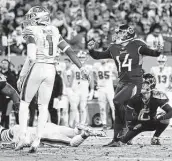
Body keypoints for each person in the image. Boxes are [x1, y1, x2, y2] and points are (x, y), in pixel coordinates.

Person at [16, 6, 88, 152]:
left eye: (32, 17)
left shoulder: (32, 30)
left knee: (24, 103)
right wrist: (81, 67)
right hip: (51, 69)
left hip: (37, 66)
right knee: (43, 107)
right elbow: (69, 51)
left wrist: (22, 75)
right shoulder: (55, 30)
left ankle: (23, 137)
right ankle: (37, 140)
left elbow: (31, 56)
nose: (29, 19)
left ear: (38, 18)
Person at [87, 24, 163, 147]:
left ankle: (128, 127)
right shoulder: (114, 47)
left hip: (134, 81)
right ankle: (117, 140)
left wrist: (158, 51)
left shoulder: (137, 44)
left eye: (120, 32)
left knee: (117, 101)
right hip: (121, 82)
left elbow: (153, 53)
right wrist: (91, 50)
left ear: (128, 33)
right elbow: (98, 56)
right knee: (117, 110)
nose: (117, 34)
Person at [117, 73, 172, 146]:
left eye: (144, 83)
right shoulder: (134, 96)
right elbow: (128, 114)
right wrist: (131, 125)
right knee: (122, 142)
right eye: (141, 83)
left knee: (165, 119)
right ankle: (129, 136)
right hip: (137, 123)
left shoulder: (157, 96)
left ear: (151, 85)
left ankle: (155, 138)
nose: (141, 85)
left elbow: (170, 111)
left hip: (152, 122)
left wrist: (160, 118)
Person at [0, 122, 106, 149]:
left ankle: (84, 133)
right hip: (43, 129)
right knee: (73, 135)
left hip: (38, 133)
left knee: (71, 141)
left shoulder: (12, 133)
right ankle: (82, 131)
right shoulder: (14, 130)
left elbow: (13, 142)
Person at [93, 60, 116, 130]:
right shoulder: (97, 65)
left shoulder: (110, 65)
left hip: (109, 88)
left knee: (113, 107)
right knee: (102, 107)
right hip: (101, 88)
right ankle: (104, 123)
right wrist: (96, 82)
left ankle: (116, 123)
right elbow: (93, 74)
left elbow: (116, 73)